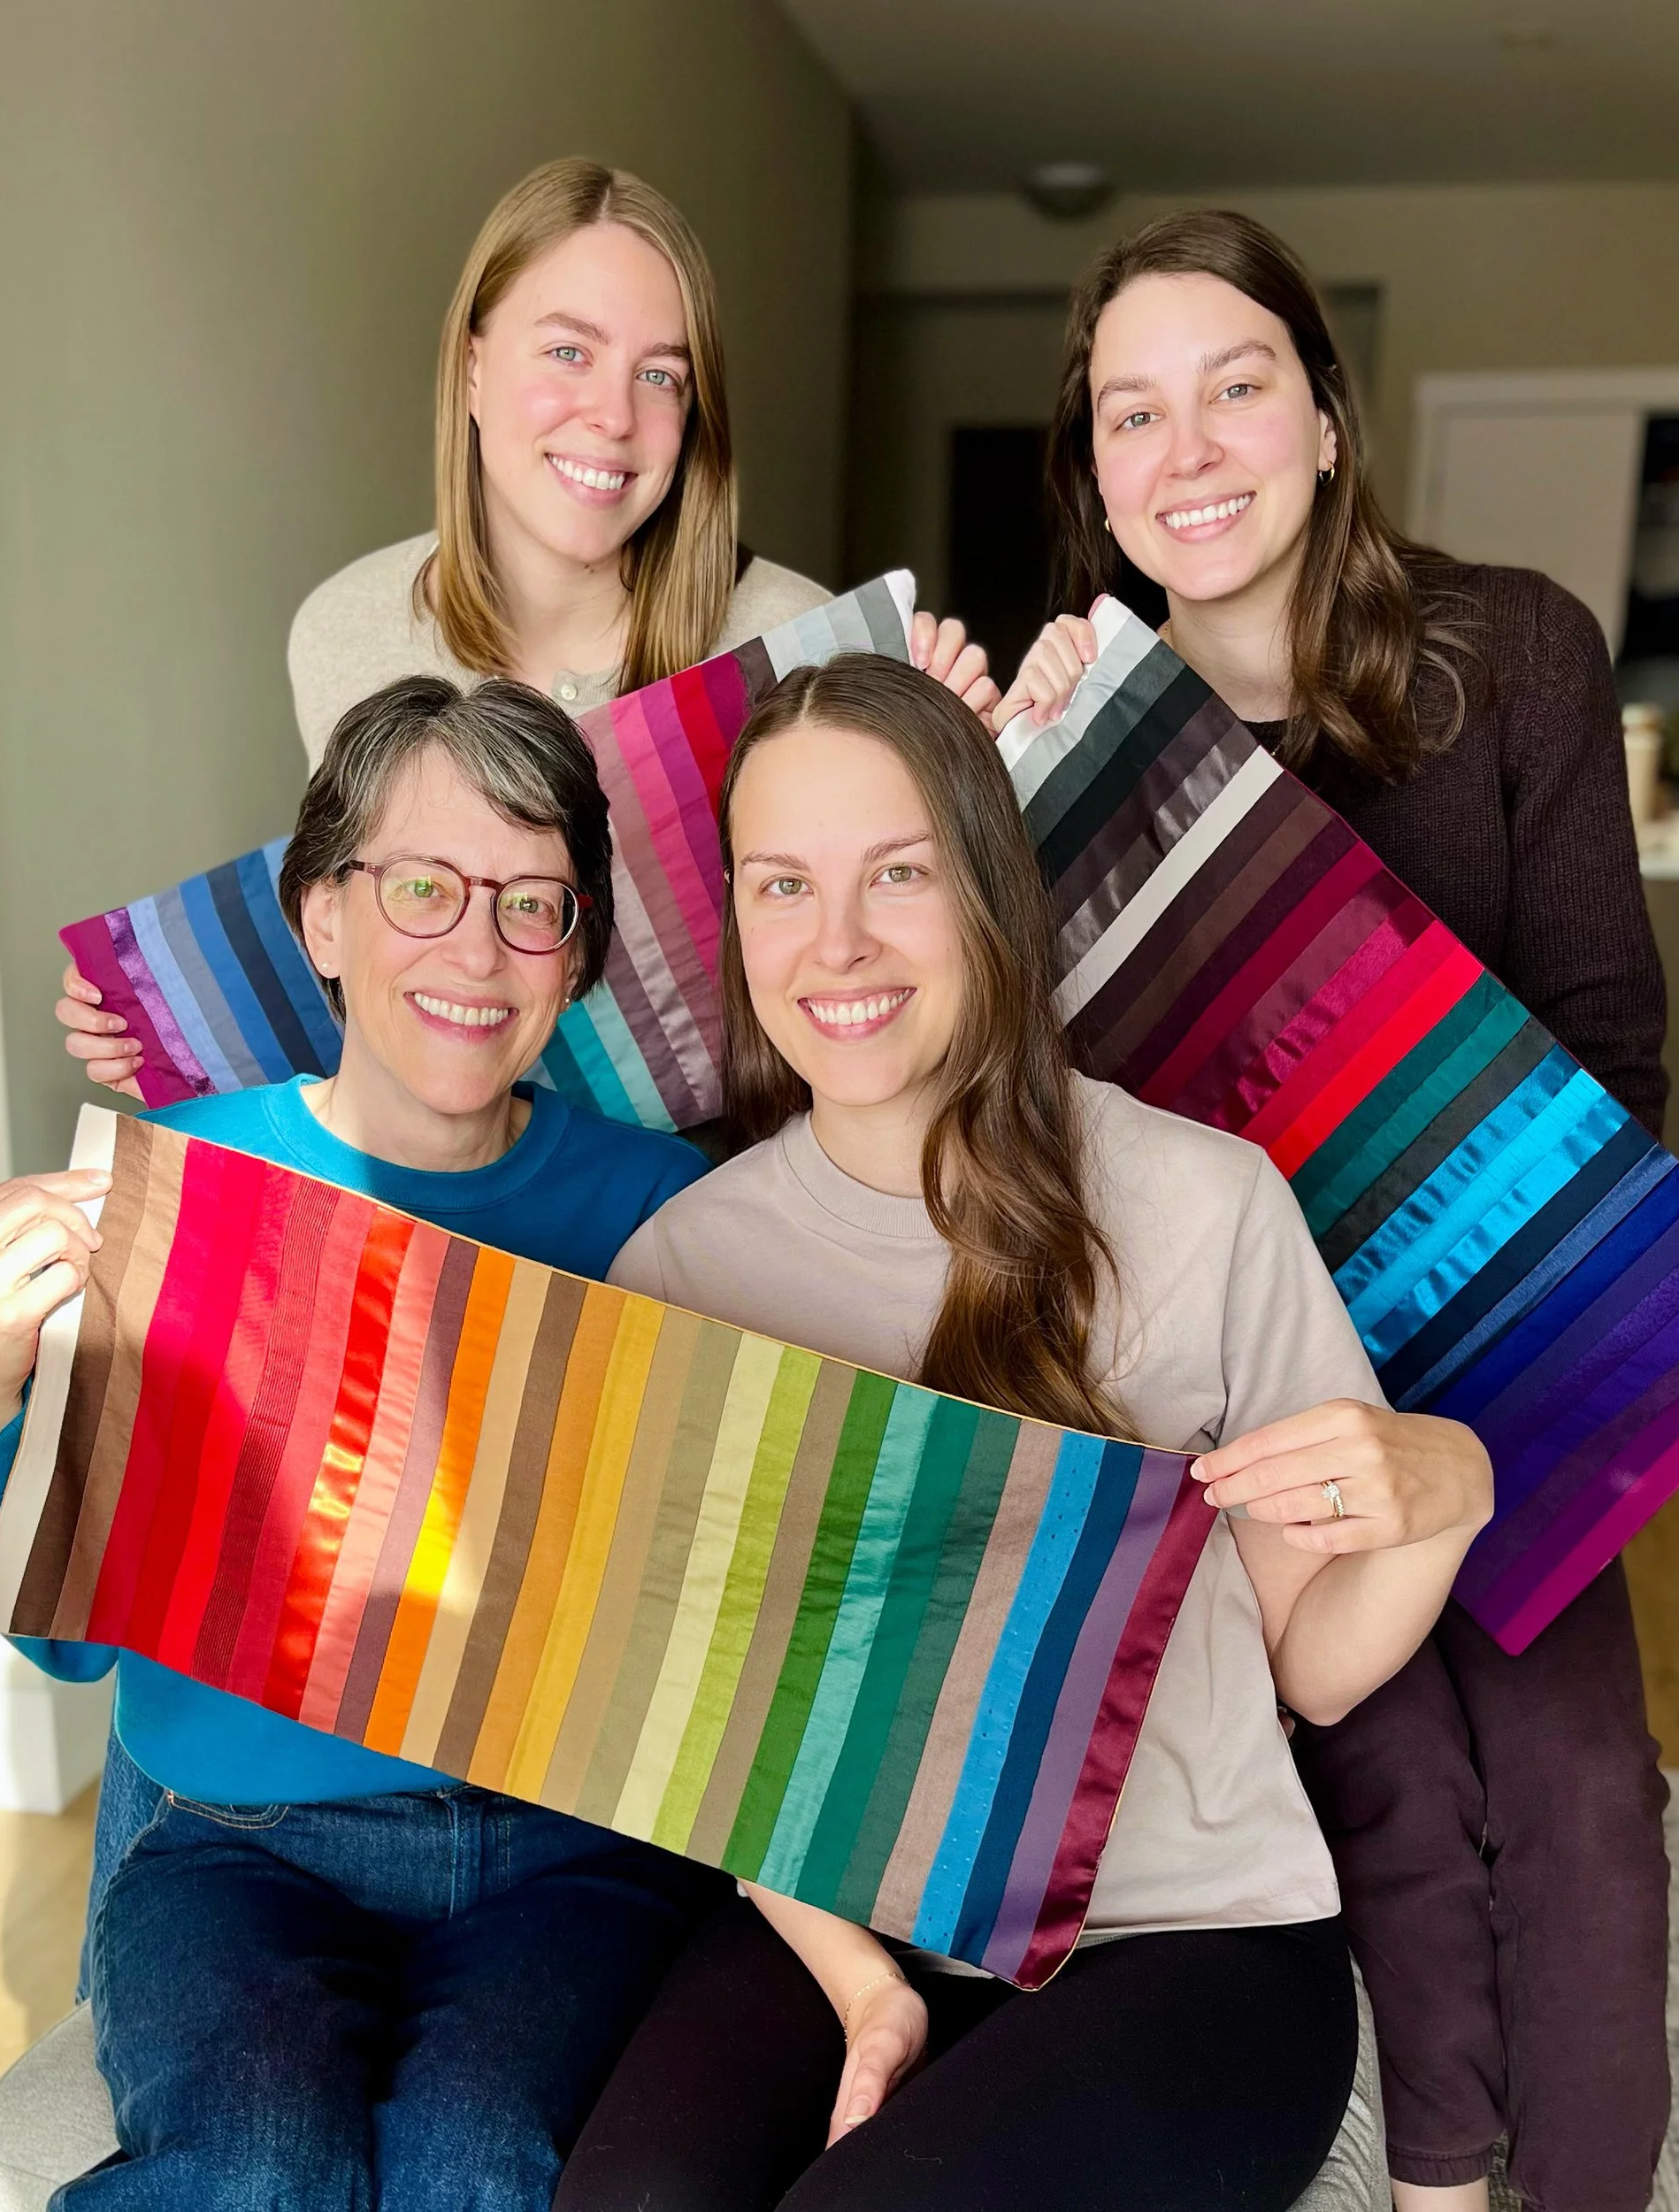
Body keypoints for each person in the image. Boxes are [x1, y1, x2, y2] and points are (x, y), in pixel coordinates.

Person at [988, 210, 1679, 2212]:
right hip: (1256, 1383)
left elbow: (1612, 1047)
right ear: (1092, 471)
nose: (1189, 451)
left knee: (1578, 1789)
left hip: (1501, 1350)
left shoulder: (1516, 654)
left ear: (1325, 420)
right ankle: (1442, 2184)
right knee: (1385, 1771)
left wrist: (1676, 1319)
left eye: (1237, 389)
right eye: (1132, 414)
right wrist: (1011, 770)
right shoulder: (1066, 751)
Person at [551, 656, 1495, 2212]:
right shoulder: (683, 1269)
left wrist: (1452, 1487)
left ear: (989, 889)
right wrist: (867, 1989)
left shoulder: (1202, 1203)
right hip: (853, 1928)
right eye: (783, 885)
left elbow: (1312, 1666)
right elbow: (713, 1730)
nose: (838, 943)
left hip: (1191, 1938)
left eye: (898, 873)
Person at [0, 678, 724, 2208]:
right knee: (256, 2174)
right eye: (422, 888)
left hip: (568, 1863)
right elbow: (66, 1645)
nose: (477, 951)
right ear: (323, 919)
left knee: (478, 2173)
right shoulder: (180, 1188)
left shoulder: (661, 1212)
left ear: (577, 958)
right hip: (241, 1851)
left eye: (533, 905)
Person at [60, 156, 995, 1099]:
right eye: (568, 353)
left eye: (660, 376)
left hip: (729, 1169)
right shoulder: (345, 631)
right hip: (466, 1175)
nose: (614, 416)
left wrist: (962, 779)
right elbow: (384, 944)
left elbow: (884, 965)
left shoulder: (797, 643)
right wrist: (173, 1031)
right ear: (472, 368)